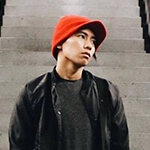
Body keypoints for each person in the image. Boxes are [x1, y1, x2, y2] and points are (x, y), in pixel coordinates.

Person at [9, 15, 130, 150]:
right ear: (60, 42)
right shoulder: (34, 92)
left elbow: (120, 145)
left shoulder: (107, 92)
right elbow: (19, 145)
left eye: (93, 41)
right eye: (82, 36)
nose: (89, 46)